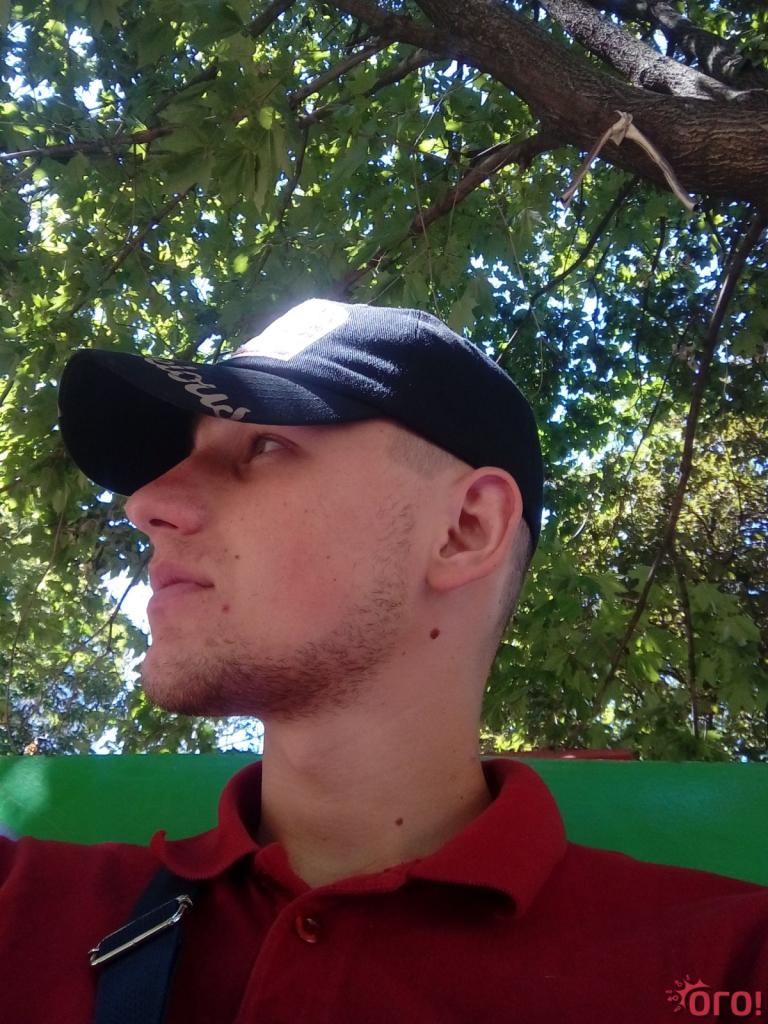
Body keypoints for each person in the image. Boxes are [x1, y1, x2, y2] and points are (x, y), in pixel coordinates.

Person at [1, 298, 766, 1023]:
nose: (145, 505)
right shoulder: (21, 904)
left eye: (264, 446)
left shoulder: (729, 966)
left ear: (465, 528)